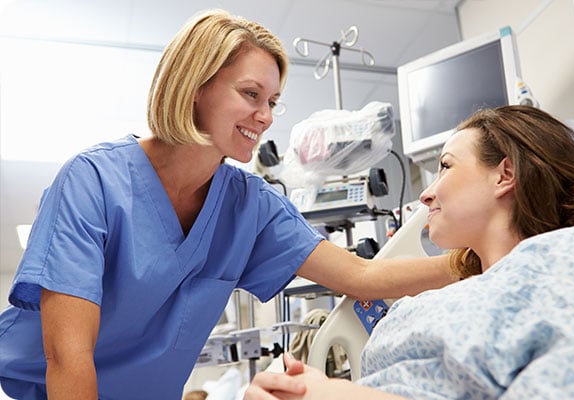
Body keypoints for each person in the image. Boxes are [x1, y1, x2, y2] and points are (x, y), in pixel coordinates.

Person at [0, 9, 454, 400]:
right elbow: (68, 356)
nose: (267, 116)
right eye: (251, 94)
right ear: (196, 85)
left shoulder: (249, 206)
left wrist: (481, 259)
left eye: (273, 101)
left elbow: (363, 276)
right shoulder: (93, 182)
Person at [244, 105, 574, 399]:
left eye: (446, 165)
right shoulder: (421, 306)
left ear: (505, 174)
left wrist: (330, 396)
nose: (426, 192)